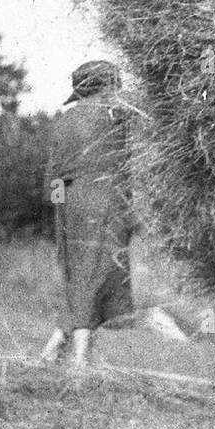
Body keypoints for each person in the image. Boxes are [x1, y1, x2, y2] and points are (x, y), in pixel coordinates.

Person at [41, 60, 137, 367]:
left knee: (78, 272)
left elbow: (53, 175)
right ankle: (80, 359)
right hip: (106, 198)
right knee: (97, 274)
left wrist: (61, 210)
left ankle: (55, 345)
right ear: (107, 86)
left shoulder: (65, 120)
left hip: (69, 200)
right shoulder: (116, 115)